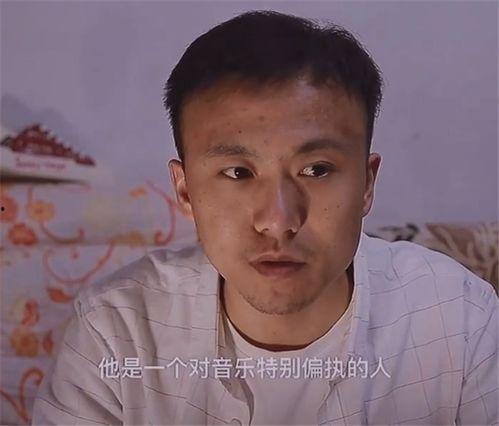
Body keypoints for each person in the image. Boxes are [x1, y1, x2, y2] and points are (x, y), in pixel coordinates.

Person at [33, 10, 497, 425]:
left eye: (317, 170)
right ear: (186, 190)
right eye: (238, 173)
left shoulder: (459, 319)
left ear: (367, 184)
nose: (278, 221)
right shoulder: (116, 331)